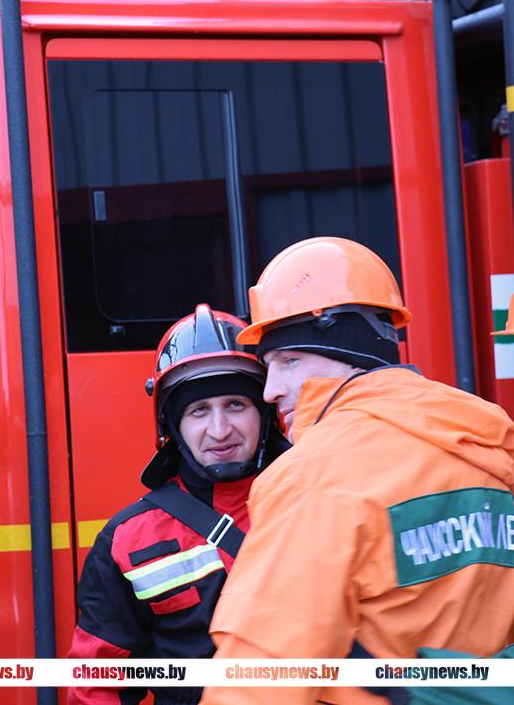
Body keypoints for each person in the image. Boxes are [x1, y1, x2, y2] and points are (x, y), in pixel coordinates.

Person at [201, 237, 514, 705]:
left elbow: (261, 673)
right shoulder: (490, 444)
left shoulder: (312, 478)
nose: (270, 390)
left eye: (289, 361)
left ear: (348, 352)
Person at [67, 304, 289, 705]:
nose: (220, 430)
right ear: (172, 427)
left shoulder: (312, 502)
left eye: (236, 405)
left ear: (265, 414)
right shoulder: (126, 541)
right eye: (199, 410)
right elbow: (95, 685)